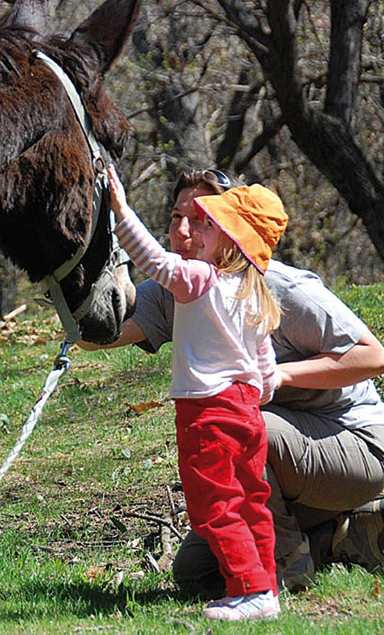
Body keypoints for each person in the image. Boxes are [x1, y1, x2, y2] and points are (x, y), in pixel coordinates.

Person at [81, 167, 384, 596]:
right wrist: (66, 277)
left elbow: (375, 358)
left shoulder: (283, 288)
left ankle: (287, 564)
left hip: (355, 443)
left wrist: (280, 375)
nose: (183, 230)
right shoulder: (180, 287)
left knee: (242, 428)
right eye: (177, 216)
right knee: (196, 575)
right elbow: (98, 336)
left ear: (230, 228)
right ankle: (344, 531)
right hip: (279, 452)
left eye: (201, 219)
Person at [107, 162, 288, 621]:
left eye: (209, 224)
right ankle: (263, 587)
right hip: (247, 412)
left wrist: (122, 212)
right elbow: (264, 366)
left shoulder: (201, 281)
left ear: (232, 239)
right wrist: (256, 394)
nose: (196, 230)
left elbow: (154, 262)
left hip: (207, 413)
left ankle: (248, 590)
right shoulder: (254, 292)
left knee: (214, 507)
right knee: (251, 501)